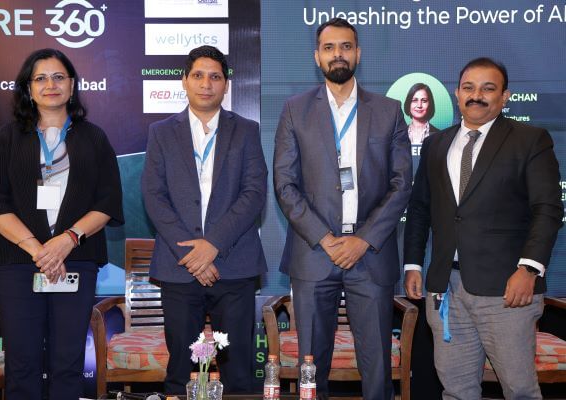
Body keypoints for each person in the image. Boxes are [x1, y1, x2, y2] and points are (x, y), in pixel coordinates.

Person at [403, 57, 563, 399]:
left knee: (519, 391)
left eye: (488, 89)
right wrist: (413, 264)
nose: (477, 95)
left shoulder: (530, 140)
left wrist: (528, 269)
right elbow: (419, 208)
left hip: (507, 291)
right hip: (445, 289)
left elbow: (548, 209)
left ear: (505, 97)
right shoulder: (436, 144)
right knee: (456, 390)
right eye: (469, 88)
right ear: (457, 94)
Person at [273, 18, 412, 400]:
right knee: (310, 366)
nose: (338, 54)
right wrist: (325, 238)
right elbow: (284, 184)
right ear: (317, 57)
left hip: (371, 254)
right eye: (330, 47)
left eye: (346, 46)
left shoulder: (389, 111)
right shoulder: (295, 110)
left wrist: (362, 240)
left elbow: (401, 184)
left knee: (377, 366)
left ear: (358, 54)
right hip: (314, 253)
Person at [0, 48, 124, 400]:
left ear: (71, 85)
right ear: (28, 88)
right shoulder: (8, 137)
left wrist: (67, 240)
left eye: (59, 77)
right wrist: (39, 250)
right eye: (40, 78)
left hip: (77, 260)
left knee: (67, 363)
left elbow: (107, 203)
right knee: (22, 363)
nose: (50, 84)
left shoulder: (94, 138)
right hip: (17, 263)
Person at [141, 45, 267, 395]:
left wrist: (212, 245)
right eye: (198, 75)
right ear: (184, 81)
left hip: (234, 265)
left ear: (226, 84)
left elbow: (254, 193)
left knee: (237, 371)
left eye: (215, 77)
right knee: (181, 371)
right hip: (179, 267)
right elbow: (154, 195)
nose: (206, 84)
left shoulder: (247, 130)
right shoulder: (162, 132)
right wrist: (193, 254)